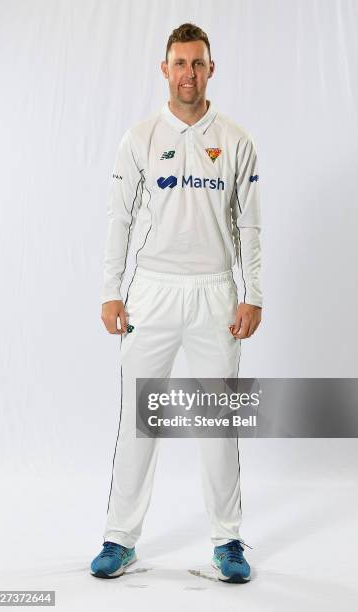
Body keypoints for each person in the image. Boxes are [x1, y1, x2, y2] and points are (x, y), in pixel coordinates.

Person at [90, 22, 262, 584]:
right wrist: (111, 290)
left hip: (215, 292)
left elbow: (251, 225)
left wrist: (252, 294)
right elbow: (118, 217)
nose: (188, 73)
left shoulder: (235, 139)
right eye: (179, 63)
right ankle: (120, 538)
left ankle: (228, 540)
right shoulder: (139, 137)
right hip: (153, 293)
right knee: (140, 419)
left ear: (212, 69)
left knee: (219, 422)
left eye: (198, 63)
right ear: (165, 70)